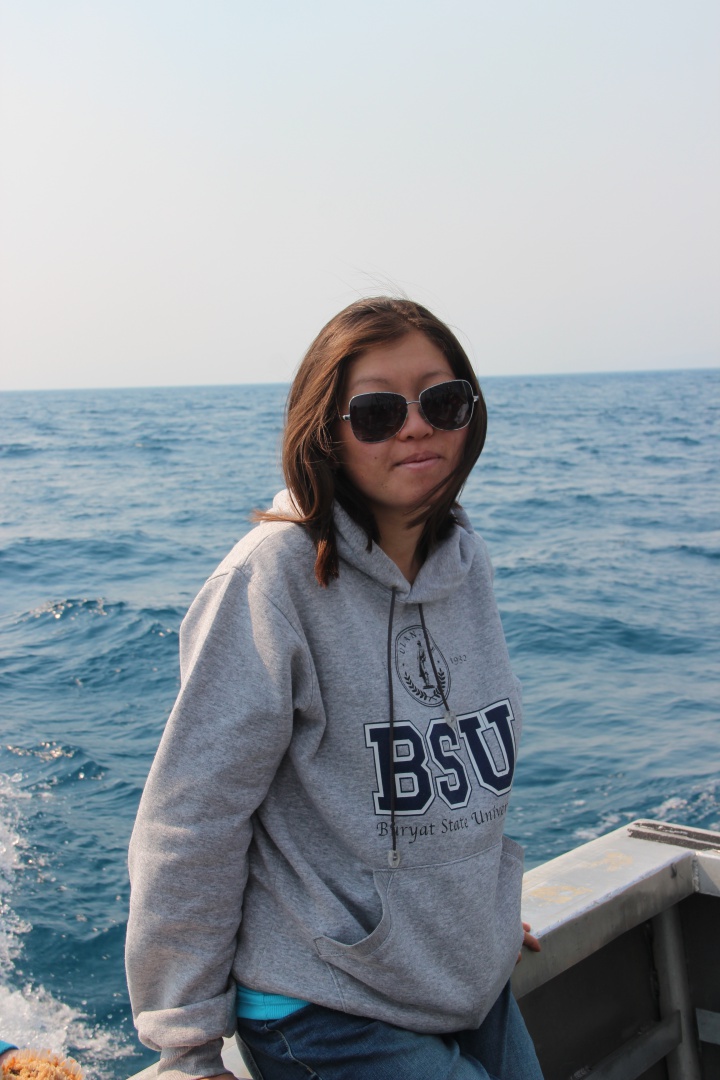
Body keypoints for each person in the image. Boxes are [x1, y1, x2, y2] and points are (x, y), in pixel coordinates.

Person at [125, 297, 543, 1080]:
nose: (415, 428)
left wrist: (467, 921)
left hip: (458, 980)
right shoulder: (269, 581)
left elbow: (453, 769)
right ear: (326, 431)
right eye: (379, 413)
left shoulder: (466, 561)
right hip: (326, 1004)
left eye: (442, 402)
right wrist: (186, 1048)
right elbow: (192, 820)